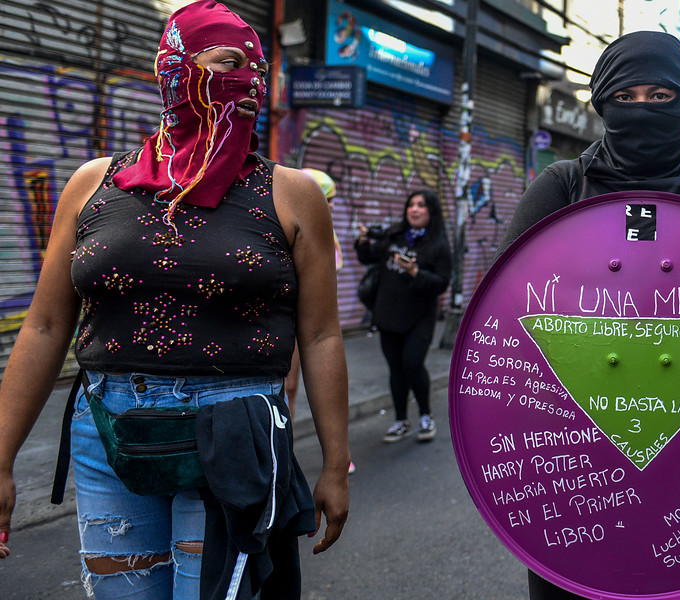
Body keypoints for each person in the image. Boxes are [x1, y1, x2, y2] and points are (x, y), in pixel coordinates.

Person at [0, 2, 350, 598]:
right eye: (229, 64)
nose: (249, 82)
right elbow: (46, 326)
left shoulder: (292, 194)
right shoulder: (92, 184)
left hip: (233, 435)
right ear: (174, 68)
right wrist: (3, 458)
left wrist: (336, 465)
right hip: (108, 432)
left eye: (257, 70)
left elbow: (320, 336)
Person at [497, 31, 680, 600]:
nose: (642, 109)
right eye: (626, 96)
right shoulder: (562, 187)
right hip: (572, 459)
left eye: (660, 95)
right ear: (602, 102)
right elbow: (503, 318)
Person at [355, 189, 451, 443]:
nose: (414, 210)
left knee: (412, 364)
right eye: (411, 205)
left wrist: (415, 272)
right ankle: (401, 421)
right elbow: (368, 257)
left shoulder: (438, 245)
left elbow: (442, 283)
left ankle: (426, 415)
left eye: (421, 205)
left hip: (420, 318)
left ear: (431, 211)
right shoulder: (394, 235)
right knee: (396, 369)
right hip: (388, 315)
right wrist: (363, 241)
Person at [285, 167, 355, 474]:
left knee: (327, 388)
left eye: (330, 200)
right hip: (287, 321)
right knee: (288, 386)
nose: (330, 205)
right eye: (326, 199)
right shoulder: (286, 226)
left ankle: (337, 454)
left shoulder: (327, 234)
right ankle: (284, 452)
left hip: (317, 324)